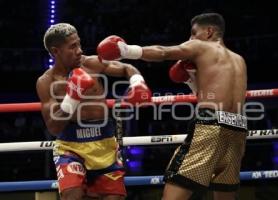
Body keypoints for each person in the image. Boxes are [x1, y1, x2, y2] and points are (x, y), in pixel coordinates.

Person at [97, 13, 248, 200]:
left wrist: (126, 50)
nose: (190, 39)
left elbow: (163, 52)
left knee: (174, 191)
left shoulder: (200, 46)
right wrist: (190, 82)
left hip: (210, 126)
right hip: (238, 128)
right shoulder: (238, 59)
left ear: (209, 31)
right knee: (224, 192)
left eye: (194, 33)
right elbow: (215, 96)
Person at [36, 23, 152, 200]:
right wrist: (73, 96)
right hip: (70, 147)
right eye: (72, 46)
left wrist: (137, 83)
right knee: (71, 195)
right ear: (56, 51)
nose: (79, 51)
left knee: (115, 198)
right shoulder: (46, 82)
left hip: (104, 143)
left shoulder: (90, 64)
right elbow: (53, 127)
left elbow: (127, 68)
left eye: (79, 44)